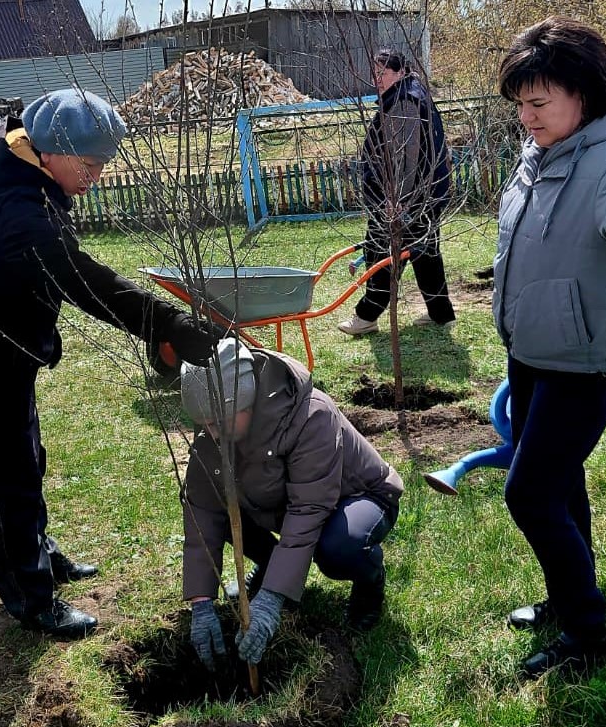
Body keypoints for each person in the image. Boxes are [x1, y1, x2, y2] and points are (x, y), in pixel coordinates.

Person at [0, 88, 216, 640]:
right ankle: (32, 601)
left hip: (4, 356)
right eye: (91, 162)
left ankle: (43, 555)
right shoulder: (18, 211)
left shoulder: (27, 174)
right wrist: (170, 325)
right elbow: (85, 281)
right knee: (0, 485)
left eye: (103, 161)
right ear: (51, 151)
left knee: (27, 462)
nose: (98, 173)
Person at [494, 16, 606, 678]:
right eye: (520, 103)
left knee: (531, 492)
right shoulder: (544, 150)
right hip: (533, 349)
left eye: (538, 102)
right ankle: (570, 591)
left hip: (586, 358)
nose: (526, 116)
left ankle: (589, 633)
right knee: (559, 477)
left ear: (584, 91)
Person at [179, 338, 403, 669]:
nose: (211, 433)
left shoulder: (311, 415)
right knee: (221, 512)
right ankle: (274, 567)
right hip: (286, 506)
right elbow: (201, 509)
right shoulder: (220, 426)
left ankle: (370, 581)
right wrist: (201, 603)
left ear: (246, 405)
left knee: (340, 547)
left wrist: (270, 600)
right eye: (206, 424)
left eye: (217, 423)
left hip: (356, 498)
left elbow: (309, 509)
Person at [338, 48, 456, 336]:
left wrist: (396, 201)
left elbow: (406, 158)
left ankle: (366, 317)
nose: (377, 78)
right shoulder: (409, 95)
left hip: (405, 199)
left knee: (382, 251)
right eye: (375, 72)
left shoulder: (404, 102)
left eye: (383, 72)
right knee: (425, 253)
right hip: (423, 196)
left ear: (400, 72)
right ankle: (441, 314)